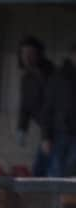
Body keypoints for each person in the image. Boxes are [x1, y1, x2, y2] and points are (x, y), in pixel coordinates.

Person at [15, 36, 55, 176]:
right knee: (40, 172)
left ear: (39, 55)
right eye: (24, 53)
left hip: (60, 132)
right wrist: (21, 128)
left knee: (52, 172)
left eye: (31, 53)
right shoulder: (27, 79)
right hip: (47, 132)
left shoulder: (50, 75)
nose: (27, 57)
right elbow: (25, 106)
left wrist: (47, 136)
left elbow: (50, 108)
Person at [41, 43, 76, 177]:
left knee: (70, 173)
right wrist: (45, 137)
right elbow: (47, 109)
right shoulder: (58, 77)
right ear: (72, 55)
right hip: (60, 133)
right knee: (56, 171)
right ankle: (55, 198)